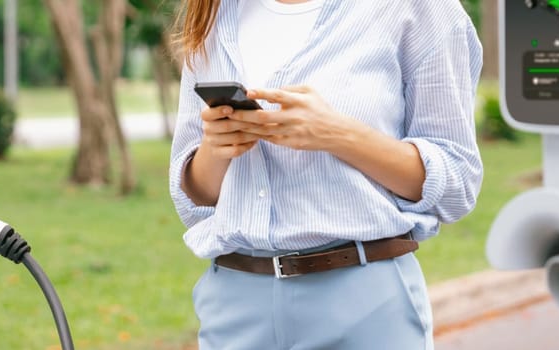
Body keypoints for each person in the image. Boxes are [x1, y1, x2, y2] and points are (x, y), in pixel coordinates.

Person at [168, 0, 483, 348]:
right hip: (234, 303)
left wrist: (337, 134)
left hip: (362, 304)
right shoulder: (214, 13)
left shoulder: (420, 9)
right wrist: (216, 149)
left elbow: (457, 182)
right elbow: (193, 201)